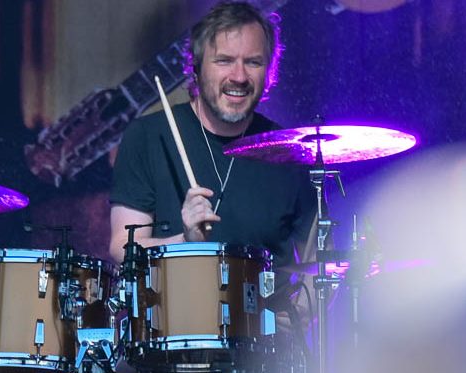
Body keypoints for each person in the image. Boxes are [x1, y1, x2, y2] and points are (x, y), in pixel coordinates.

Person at [109, 1, 315, 274]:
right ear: (195, 67)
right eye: (224, 60)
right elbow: (122, 248)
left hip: (269, 302)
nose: (239, 76)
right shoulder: (147, 137)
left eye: (253, 62)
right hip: (177, 302)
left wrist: (308, 304)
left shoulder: (290, 152)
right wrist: (186, 242)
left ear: (269, 73)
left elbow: (319, 264)